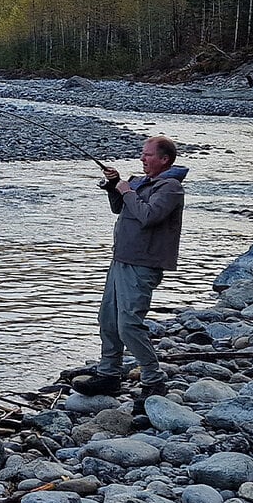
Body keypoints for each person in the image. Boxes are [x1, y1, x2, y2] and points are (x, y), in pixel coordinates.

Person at [72, 136, 188, 401]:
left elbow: (148, 216)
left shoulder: (171, 188)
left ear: (164, 160)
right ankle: (108, 376)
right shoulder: (139, 182)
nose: (142, 159)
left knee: (129, 326)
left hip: (142, 265)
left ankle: (153, 381)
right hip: (121, 260)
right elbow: (120, 208)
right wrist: (115, 185)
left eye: (147, 155)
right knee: (108, 321)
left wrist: (126, 190)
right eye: (142, 154)